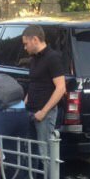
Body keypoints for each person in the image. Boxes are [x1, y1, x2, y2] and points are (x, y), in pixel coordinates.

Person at [22, 25, 66, 155]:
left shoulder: (53, 58)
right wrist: (24, 104)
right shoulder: (34, 59)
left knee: (46, 154)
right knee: (32, 152)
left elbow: (61, 88)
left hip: (45, 114)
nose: (25, 47)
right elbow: (34, 83)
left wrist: (44, 112)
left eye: (26, 44)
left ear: (35, 39)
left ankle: (49, 171)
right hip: (31, 111)